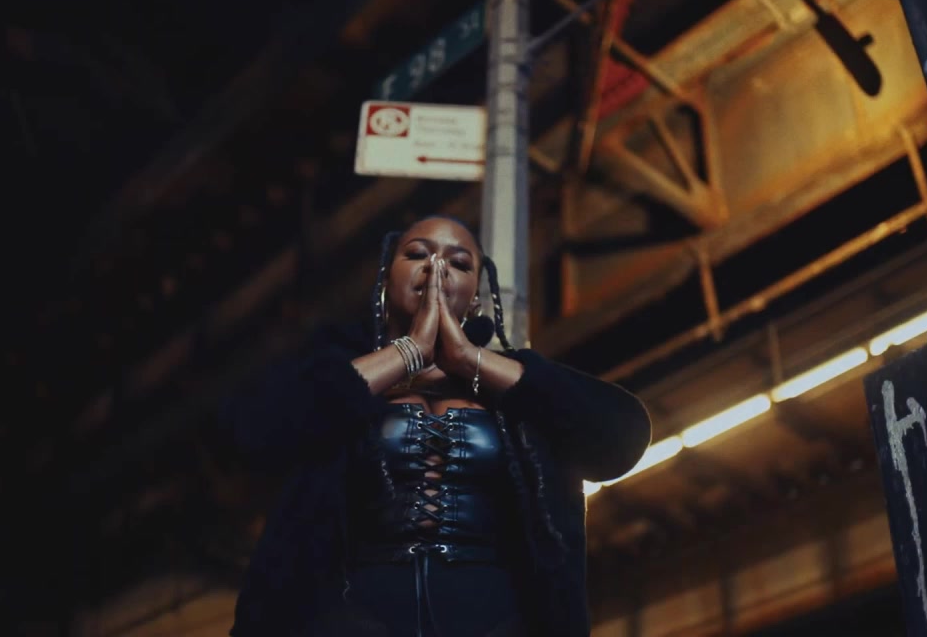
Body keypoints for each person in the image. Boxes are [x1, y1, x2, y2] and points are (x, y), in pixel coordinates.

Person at [222, 216, 651, 637]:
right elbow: (251, 434)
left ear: (476, 296)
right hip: (351, 615)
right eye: (417, 255)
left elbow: (621, 441)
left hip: (495, 619)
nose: (437, 268)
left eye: (459, 262)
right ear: (386, 281)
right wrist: (410, 351)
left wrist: (468, 357)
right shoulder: (333, 374)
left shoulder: (515, 386)